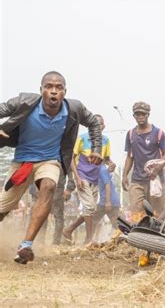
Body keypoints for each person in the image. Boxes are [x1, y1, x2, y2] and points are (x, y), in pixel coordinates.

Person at [0, 71, 102, 264]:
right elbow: (2, 109)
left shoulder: (74, 109)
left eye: (58, 87)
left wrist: (96, 148)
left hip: (50, 160)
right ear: (41, 90)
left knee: (48, 186)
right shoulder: (24, 102)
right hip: (22, 163)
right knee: (3, 209)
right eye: (49, 87)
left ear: (64, 92)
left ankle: (26, 245)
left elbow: (93, 123)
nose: (53, 91)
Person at [63, 114, 114, 245]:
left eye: (99, 125)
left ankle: (69, 230)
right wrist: (77, 178)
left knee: (89, 209)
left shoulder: (106, 141)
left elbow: (106, 159)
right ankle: (89, 239)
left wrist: (111, 164)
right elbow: (72, 159)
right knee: (90, 207)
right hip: (82, 176)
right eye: (94, 125)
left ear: (103, 126)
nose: (97, 127)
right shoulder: (82, 138)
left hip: (95, 179)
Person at [122, 101, 165, 220]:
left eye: (143, 114)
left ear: (148, 114)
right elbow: (130, 157)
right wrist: (124, 176)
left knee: (157, 213)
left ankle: (160, 236)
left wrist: (157, 168)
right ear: (134, 116)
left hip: (155, 180)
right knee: (136, 212)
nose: (140, 117)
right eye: (137, 114)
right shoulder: (130, 134)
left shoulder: (158, 133)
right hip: (137, 180)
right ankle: (137, 236)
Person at [92, 164, 121, 240]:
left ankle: (88, 240)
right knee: (117, 224)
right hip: (113, 201)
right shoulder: (104, 170)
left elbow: (107, 185)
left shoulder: (102, 169)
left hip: (107, 201)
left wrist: (107, 202)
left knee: (93, 221)